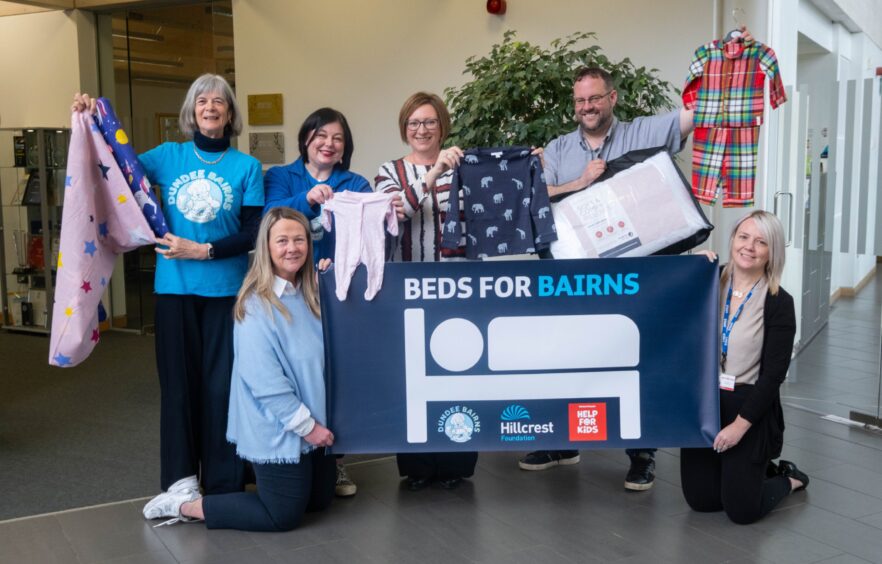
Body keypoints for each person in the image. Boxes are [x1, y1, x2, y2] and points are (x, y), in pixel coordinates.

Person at [74, 74, 263, 502]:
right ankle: (181, 482)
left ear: (230, 114)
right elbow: (114, 165)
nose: (210, 107)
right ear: (191, 112)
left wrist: (203, 250)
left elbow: (253, 232)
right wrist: (91, 119)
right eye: (202, 101)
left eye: (219, 102)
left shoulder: (246, 167)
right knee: (178, 387)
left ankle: (223, 481)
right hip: (174, 291)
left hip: (226, 294)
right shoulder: (168, 156)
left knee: (222, 388)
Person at [142, 207, 338, 530]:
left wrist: (330, 282)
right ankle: (187, 505)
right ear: (266, 248)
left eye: (299, 240)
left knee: (318, 501)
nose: (292, 248)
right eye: (282, 241)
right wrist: (309, 428)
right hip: (278, 425)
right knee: (282, 515)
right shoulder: (254, 305)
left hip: (312, 419)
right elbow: (266, 383)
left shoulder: (311, 295)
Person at [374, 92, 476, 489]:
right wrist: (434, 175)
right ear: (405, 128)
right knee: (413, 375)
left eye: (429, 122)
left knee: (460, 371)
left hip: (457, 288)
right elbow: (398, 211)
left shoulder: (463, 166)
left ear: (442, 126)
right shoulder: (388, 171)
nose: (422, 130)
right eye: (414, 123)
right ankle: (418, 467)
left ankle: (457, 462)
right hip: (407, 290)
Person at [681, 210, 807, 524]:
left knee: (741, 511)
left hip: (747, 405)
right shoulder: (707, 280)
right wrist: (689, 269)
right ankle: (754, 469)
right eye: (744, 237)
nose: (749, 247)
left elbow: (773, 375)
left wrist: (740, 426)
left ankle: (787, 478)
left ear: (772, 252)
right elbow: (673, 314)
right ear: (733, 240)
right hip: (705, 403)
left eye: (761, 242)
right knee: (703, 501)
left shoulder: (779, 301)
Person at [264, 107, 371, 265]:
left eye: (337, 139)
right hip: (290, 280)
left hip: (340, 278)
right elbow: (269, 216)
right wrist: (307, 199)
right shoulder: (279, 176)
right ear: (306, 139)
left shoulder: (357, 184)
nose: (329, 144)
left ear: (345, 147)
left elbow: (371, 231)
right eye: (321, 135)